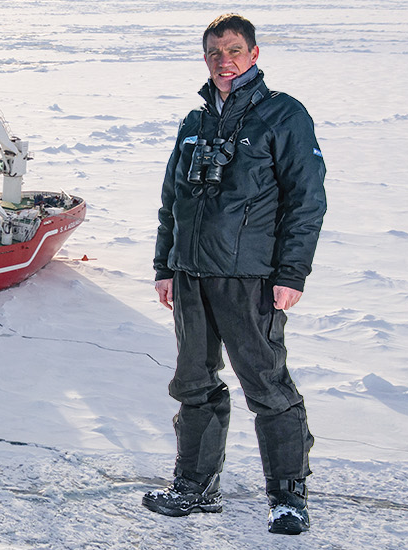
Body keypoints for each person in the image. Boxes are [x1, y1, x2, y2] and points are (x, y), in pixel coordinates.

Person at [142, 13, 327, 536]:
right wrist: (164, 266)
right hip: (190, 276)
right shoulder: (194, 122)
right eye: (215, 52)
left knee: (267, 385)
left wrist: (292, 273)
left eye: (235, 50)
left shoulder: (283, 116)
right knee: (194, 383)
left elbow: (306, 201)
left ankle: (288, 496)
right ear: (205, 58)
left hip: (251, 278)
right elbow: (172, 200)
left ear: (254, 54)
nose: (224, 61)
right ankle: (196, 487)